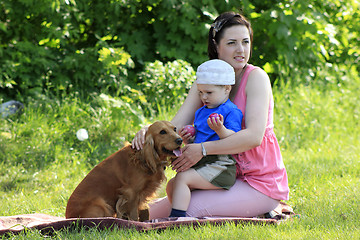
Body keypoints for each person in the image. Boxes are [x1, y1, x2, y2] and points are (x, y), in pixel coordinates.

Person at [132, 11, 289, 218]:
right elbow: (176, 125)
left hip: (257, 182)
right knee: (143, 214)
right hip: (215, 175)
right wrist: (149, 131)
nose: (241, 50)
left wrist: (202, 149)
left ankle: (264, 206)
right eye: (232, 43)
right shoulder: (205, 82)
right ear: (216, 45)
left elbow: (254, 136)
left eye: (245, 42)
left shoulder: (256, 77)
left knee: (187, 210)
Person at [168, 59, 243, 217]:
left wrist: (220, 129)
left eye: (209, 93)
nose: (204, 97)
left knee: (182, 178)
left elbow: (234, 138)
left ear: (227, 89)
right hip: (202, 162)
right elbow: (199, 142)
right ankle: (185, 213)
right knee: (172, 185)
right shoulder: (201, 111)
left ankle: (176, 219)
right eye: (200, 92)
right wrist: (189, 137)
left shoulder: (231, 111)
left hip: (221, 165)